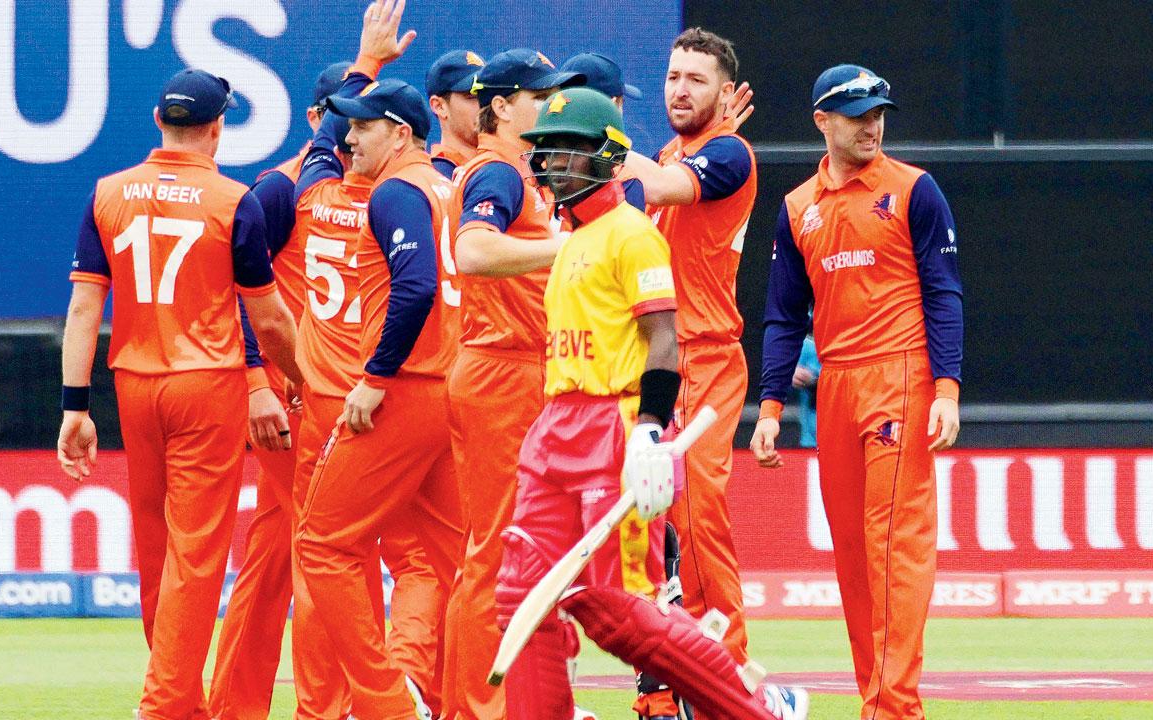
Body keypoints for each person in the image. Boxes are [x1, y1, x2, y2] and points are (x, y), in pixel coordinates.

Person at [493, 85, 808, 720]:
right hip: (554, 428)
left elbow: (663, 340)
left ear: (609, 159)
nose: (552, 166)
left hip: (613, 427)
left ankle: (761, 708)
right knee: (517, 594)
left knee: (614, 610)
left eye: (568, 154)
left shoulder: (633, 235)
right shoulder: (570, 241)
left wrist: (647, 431)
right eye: (545, 154)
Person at [56, 68, 302, 720]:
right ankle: (164, 707)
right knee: (196, 553)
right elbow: (270, 319)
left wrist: (75, 407)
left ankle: (180, 702)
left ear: (159, 122)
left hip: (134, 384)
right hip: (207, 384)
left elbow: (84, 309)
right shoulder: (233, 200)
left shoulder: (108, 192)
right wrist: (304, 377)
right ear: (218, 126)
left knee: (157, 548)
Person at [750, 64, 963, 720]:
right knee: (852, 552)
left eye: (879, 113)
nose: (873, 124)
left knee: (893, 542)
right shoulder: (796, 208)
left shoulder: (914, 191)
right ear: (822, 121)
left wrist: (947, 389)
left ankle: (892, 707)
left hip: (901, 374)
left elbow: (944, 292)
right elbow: (785, 315)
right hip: (837, 386)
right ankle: (880, 695)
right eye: (858, 114)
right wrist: (770, 405)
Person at [292, 24, 462, 715]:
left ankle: (386, 703)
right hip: (447, 390)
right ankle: (434, 690)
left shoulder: (393, 193)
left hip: (399, 395)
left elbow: (417, 286)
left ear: (398, 132)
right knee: (448, 556)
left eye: (361, 129)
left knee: (322, 546)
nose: (347, 140)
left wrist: (375, 377)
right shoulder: (445, 184)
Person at [208, 58, 354, 720]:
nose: (353, 135)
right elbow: (232, 292)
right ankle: (322, 708)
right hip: (296, 403)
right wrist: (255, 384)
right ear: (317, 120)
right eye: (342, 120)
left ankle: (234, 707)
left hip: (341, 400)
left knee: (276, 557)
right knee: (323, 553)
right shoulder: (279, 190)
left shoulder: (369, 190)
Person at [439, 47, 577, 720]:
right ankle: (475, 708)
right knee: (495, 550)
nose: (551, 106)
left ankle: (506, 700)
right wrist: (574, 247)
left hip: (515, 368)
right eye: (539, 95)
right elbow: (474, 251)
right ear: (500, 106)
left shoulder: (517, 172)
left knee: (512, 548)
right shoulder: (497, 172)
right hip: (501, 371)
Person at [618, 27, 758, 667]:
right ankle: (664, 680)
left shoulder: (729, 153)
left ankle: (728, 679)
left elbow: (653, 185)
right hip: (654, 357)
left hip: (704, 356)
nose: (678, 89)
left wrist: (593, 135)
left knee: (697, 520)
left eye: (696, 80)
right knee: (652, 526)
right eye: (673, 76)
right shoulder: (672, 150)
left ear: (726, 95)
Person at [426, 49, 485, 179]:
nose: (485, 104)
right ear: (439, 106)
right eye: (472, 96)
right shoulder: (434, 178)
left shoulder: (513, 167)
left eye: (487, 94)